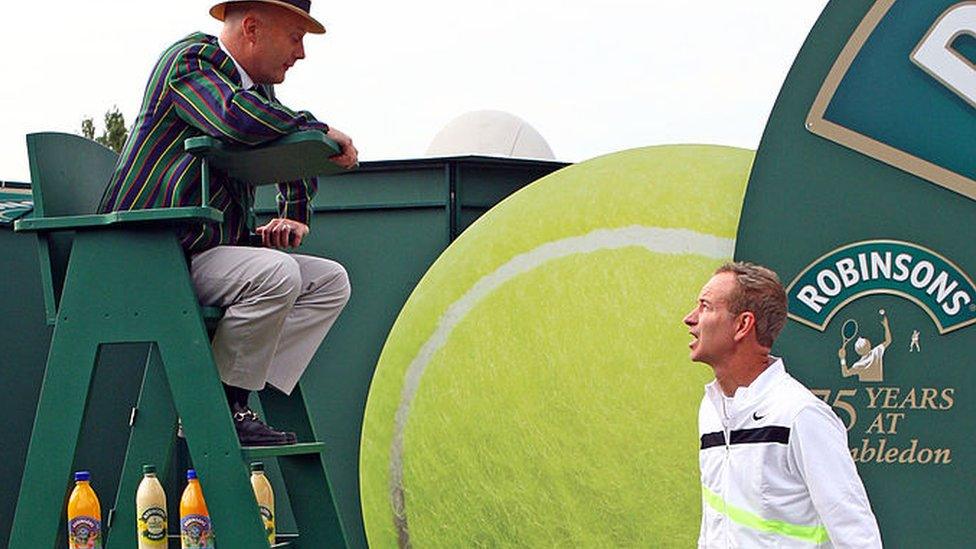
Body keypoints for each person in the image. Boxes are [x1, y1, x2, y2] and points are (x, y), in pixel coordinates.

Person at [98, 0, 356, 446]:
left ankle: (245, 393)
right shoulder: (190, 61)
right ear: (253, 28)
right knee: (277, 274)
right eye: (295, 37)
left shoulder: (258, 98)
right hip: (147, 253)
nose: (301, 53)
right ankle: (216, 407)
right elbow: (232, 120)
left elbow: (284, 145)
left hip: (194, 255)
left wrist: (292, 214)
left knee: (330, 282)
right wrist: (318, 128)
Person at [683, 262, 882, 547]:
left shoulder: (801, 415)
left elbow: (856, 533)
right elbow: (715, 524)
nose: (690, 319)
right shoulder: (711, 409)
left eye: (705, 306)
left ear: (742, 325)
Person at [839, 311, 892, 382]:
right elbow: (888, 340)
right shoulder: (876, 352)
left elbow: (845, 373)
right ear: (869, 345)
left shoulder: (858, 365)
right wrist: (886, 326)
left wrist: (842, 358)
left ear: (857, 351)